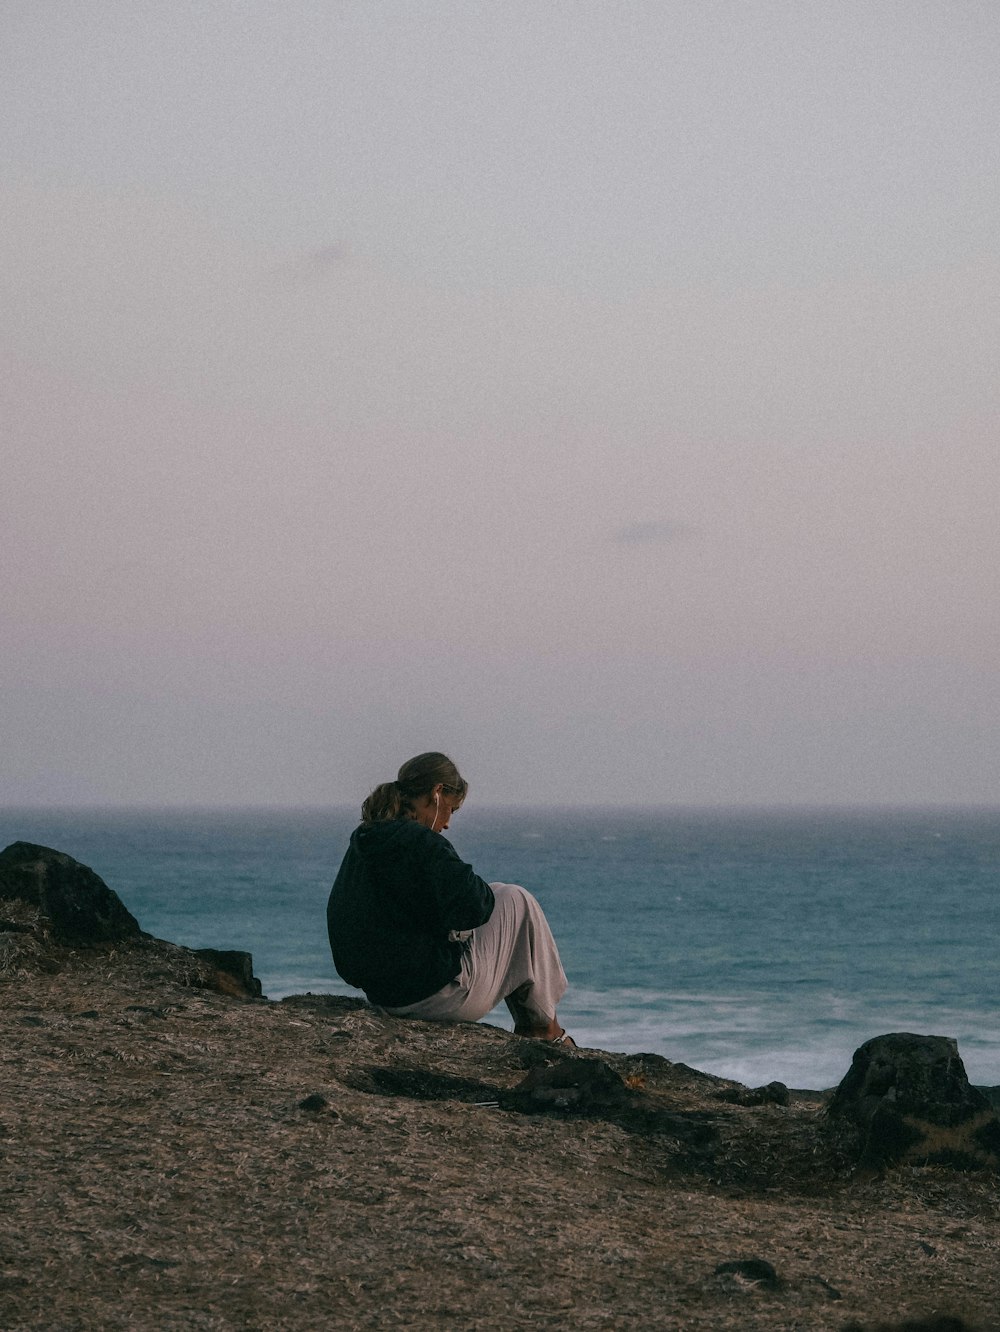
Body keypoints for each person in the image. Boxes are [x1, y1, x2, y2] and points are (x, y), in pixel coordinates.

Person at [327, 752, 573, 1044]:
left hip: (384, 997)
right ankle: (545, 1032)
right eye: (451, 810)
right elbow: (474, 903)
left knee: (497, 892)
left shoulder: (366, 842)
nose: (447, 825)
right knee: (516, 900)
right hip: (434, 999)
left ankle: (541, 1028)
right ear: (437, 793)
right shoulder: (422, 842)